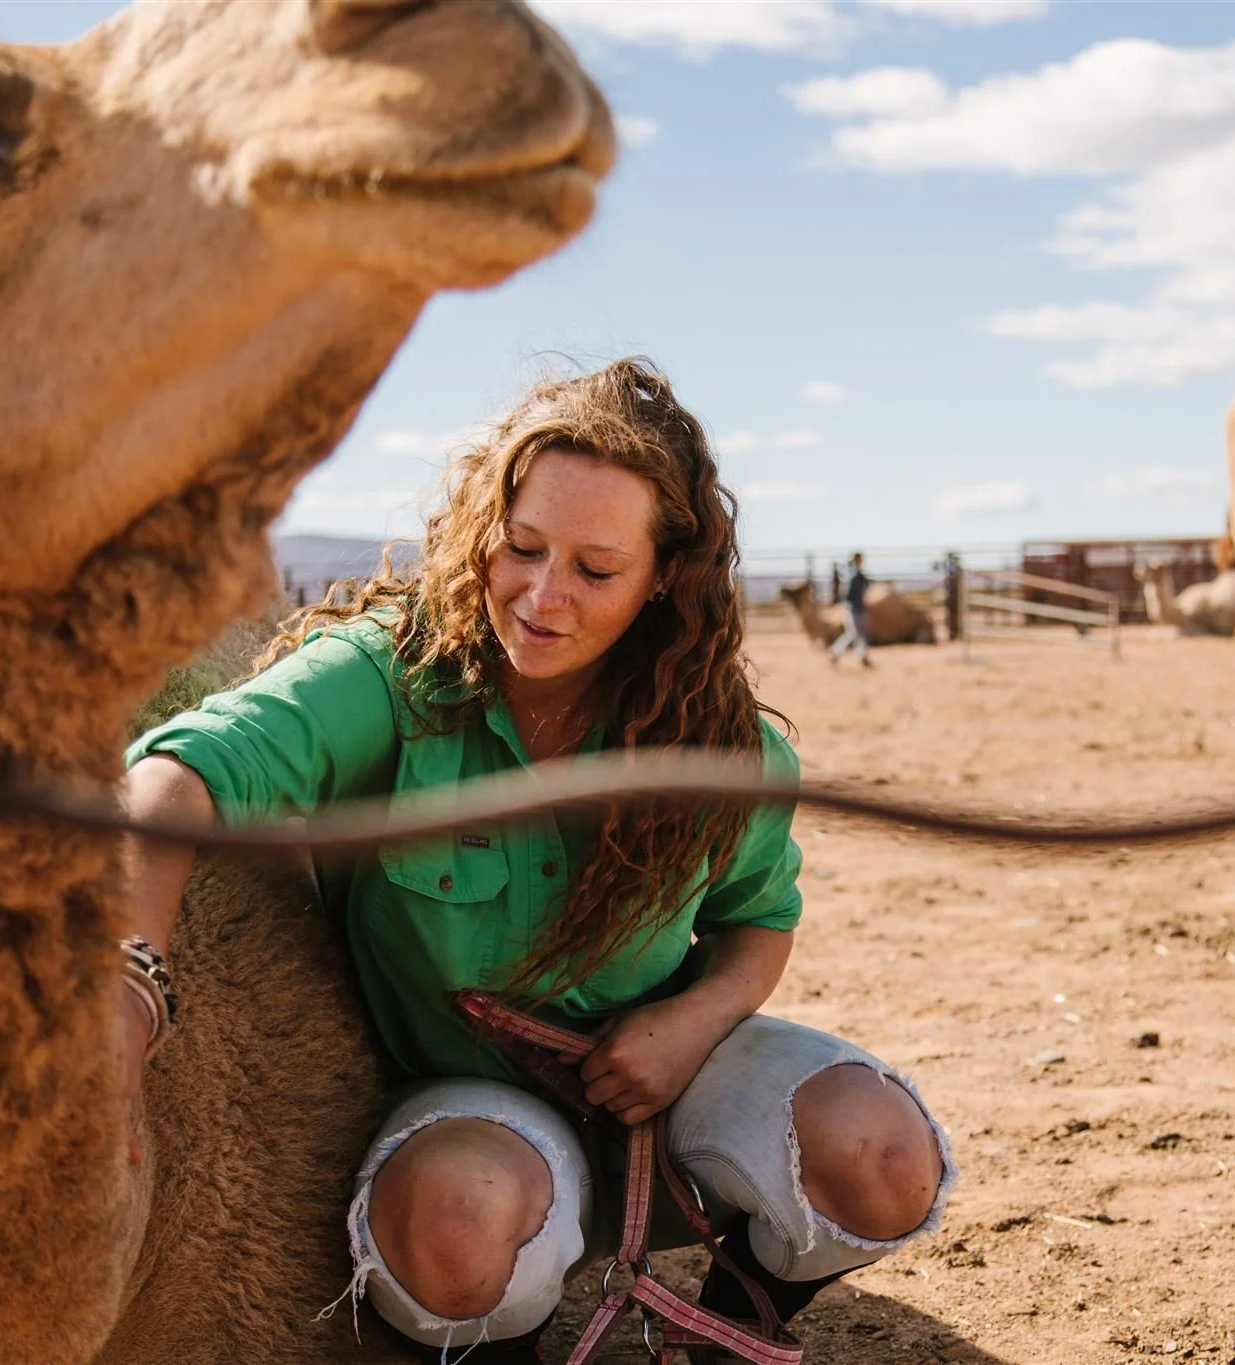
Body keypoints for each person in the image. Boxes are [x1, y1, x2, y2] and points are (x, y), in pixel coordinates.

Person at [120, 360, 951, 1361]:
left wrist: (689, 1024)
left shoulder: (724, 751)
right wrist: (125, 992)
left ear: (662, 579)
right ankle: (502, 1339)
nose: (541, 597)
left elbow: (758, 922)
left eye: (595, 571)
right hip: (475, 1120)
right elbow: (179, 775)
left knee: (884, 1155)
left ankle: (736, 1318)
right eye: (520, 548)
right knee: (454, 1226)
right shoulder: (391, 677)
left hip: (673, 1090)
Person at [828, 551, 873, 668]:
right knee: (856, 633)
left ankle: (859, 655)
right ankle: (838, 652)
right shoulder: (854, 576)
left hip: (855, 608)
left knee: (855, 633)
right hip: (854, 609)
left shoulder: (852, 574)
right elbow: (849, 594)